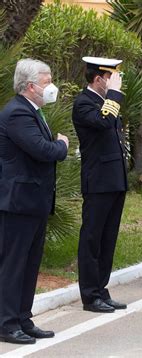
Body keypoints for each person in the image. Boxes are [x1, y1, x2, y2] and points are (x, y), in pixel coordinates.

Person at [0, 59, 68, 344]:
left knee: (29, 264)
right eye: (46, 81)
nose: (50, 86)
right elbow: (41, 150)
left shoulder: (32, 110)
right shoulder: (17, 113)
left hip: (34, 202)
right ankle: (7, 323)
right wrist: (62, 145)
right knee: (14, 264)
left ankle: (23, 318)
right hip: (18, 203)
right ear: (30, 86)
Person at [73, 57, 128, 313]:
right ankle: (89, 294)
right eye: (111, 78)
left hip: (114, 180)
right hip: (97, 182)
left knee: (108, 240)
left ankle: (101, 289)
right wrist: (114, 94)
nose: (115, 83)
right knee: (92, 240)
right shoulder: (84, 103)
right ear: (98, 79)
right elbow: (105, 121)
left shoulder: (105, 102)